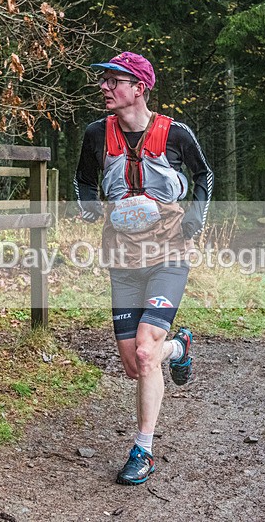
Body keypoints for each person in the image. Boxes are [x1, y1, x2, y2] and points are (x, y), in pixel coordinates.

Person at [74, 51, 213, 485]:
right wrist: (89, 209)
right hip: (122, 256)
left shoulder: (176, 133)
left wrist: (195, 216)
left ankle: (143, 449)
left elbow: (204, 175)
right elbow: (82, 179)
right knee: (134, 363)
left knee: (147, 351)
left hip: (169, 253)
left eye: (113, 80)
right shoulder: (97, 134)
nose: (103, 87)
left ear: (139, 88)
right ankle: (181, 348)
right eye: (104, 81)